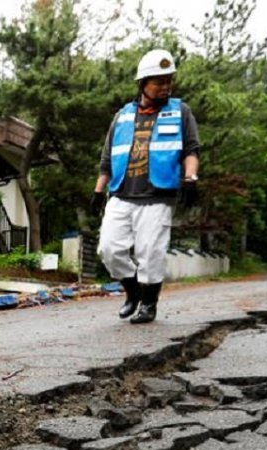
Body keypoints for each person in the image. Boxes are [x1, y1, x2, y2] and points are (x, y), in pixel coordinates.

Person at [90, 49, 200, 324]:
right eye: (159, 81)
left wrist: (190, 178)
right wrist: (98, 191)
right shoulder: (122, 116)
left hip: (157, 195)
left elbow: (191, 149)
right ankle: (133, 292)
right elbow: (107, 159)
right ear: (143, 83)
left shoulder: (180, 111)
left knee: (150, 252)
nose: (165, 86)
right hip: (121, 193)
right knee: (109, 249)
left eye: (169, 80)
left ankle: (149, 303)